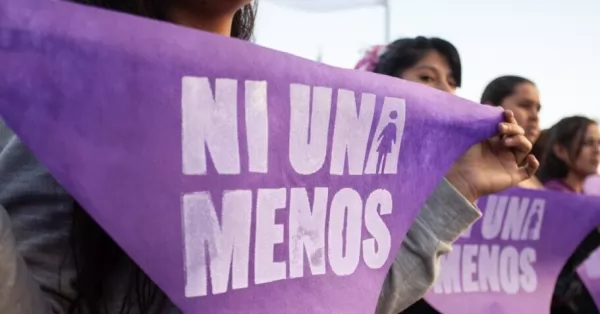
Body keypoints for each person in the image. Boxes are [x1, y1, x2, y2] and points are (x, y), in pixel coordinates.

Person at [0, 12, 537, 314]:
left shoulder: (294, 116)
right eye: (427, 77)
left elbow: (337, 300)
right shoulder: (75, 107)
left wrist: (461, 183)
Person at [355, 37, 537, 314]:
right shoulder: (349, 169)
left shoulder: (458, 164)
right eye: (427, 77)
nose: (445, 91)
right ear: (385, 82)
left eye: (452, 82)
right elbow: (361, 298)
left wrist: (463, 187)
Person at [538, 116, 600, 314]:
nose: (597, 150)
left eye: (599, 143)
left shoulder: (586, 197)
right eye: (588, 143)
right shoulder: (551, 198)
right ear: (561, 150)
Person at [481, 75, 543, 189]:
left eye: (537, 109)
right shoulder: (457, 163)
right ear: (490, 108)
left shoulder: (534, 182)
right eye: (525, 105)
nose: (535, 117)